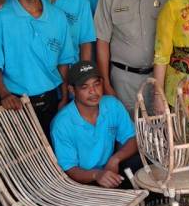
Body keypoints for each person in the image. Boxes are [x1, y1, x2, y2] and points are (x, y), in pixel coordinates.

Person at [0, 0, 76, 130]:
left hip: (52, 99)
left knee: (51, 145)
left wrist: (64, 97)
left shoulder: (58, 16)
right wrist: (4, 95)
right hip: (15, 103)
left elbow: (63, 62)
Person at [95, 0, 175, 115]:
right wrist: (105, 82)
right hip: (124, 81)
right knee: (128, 128)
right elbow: (102, 42)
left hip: (160, 76)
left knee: (161, 126)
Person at [50, 61, 140, 189]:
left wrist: (115, 159)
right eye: (84, 87)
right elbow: (70, 169)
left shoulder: (112, 105)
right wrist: (96, 175)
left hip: (110, 169)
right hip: (82, 182)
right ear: (72, 90)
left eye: (96, 84)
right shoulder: (61, 124)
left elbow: (132, 138)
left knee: (143, 164)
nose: (93, 91)